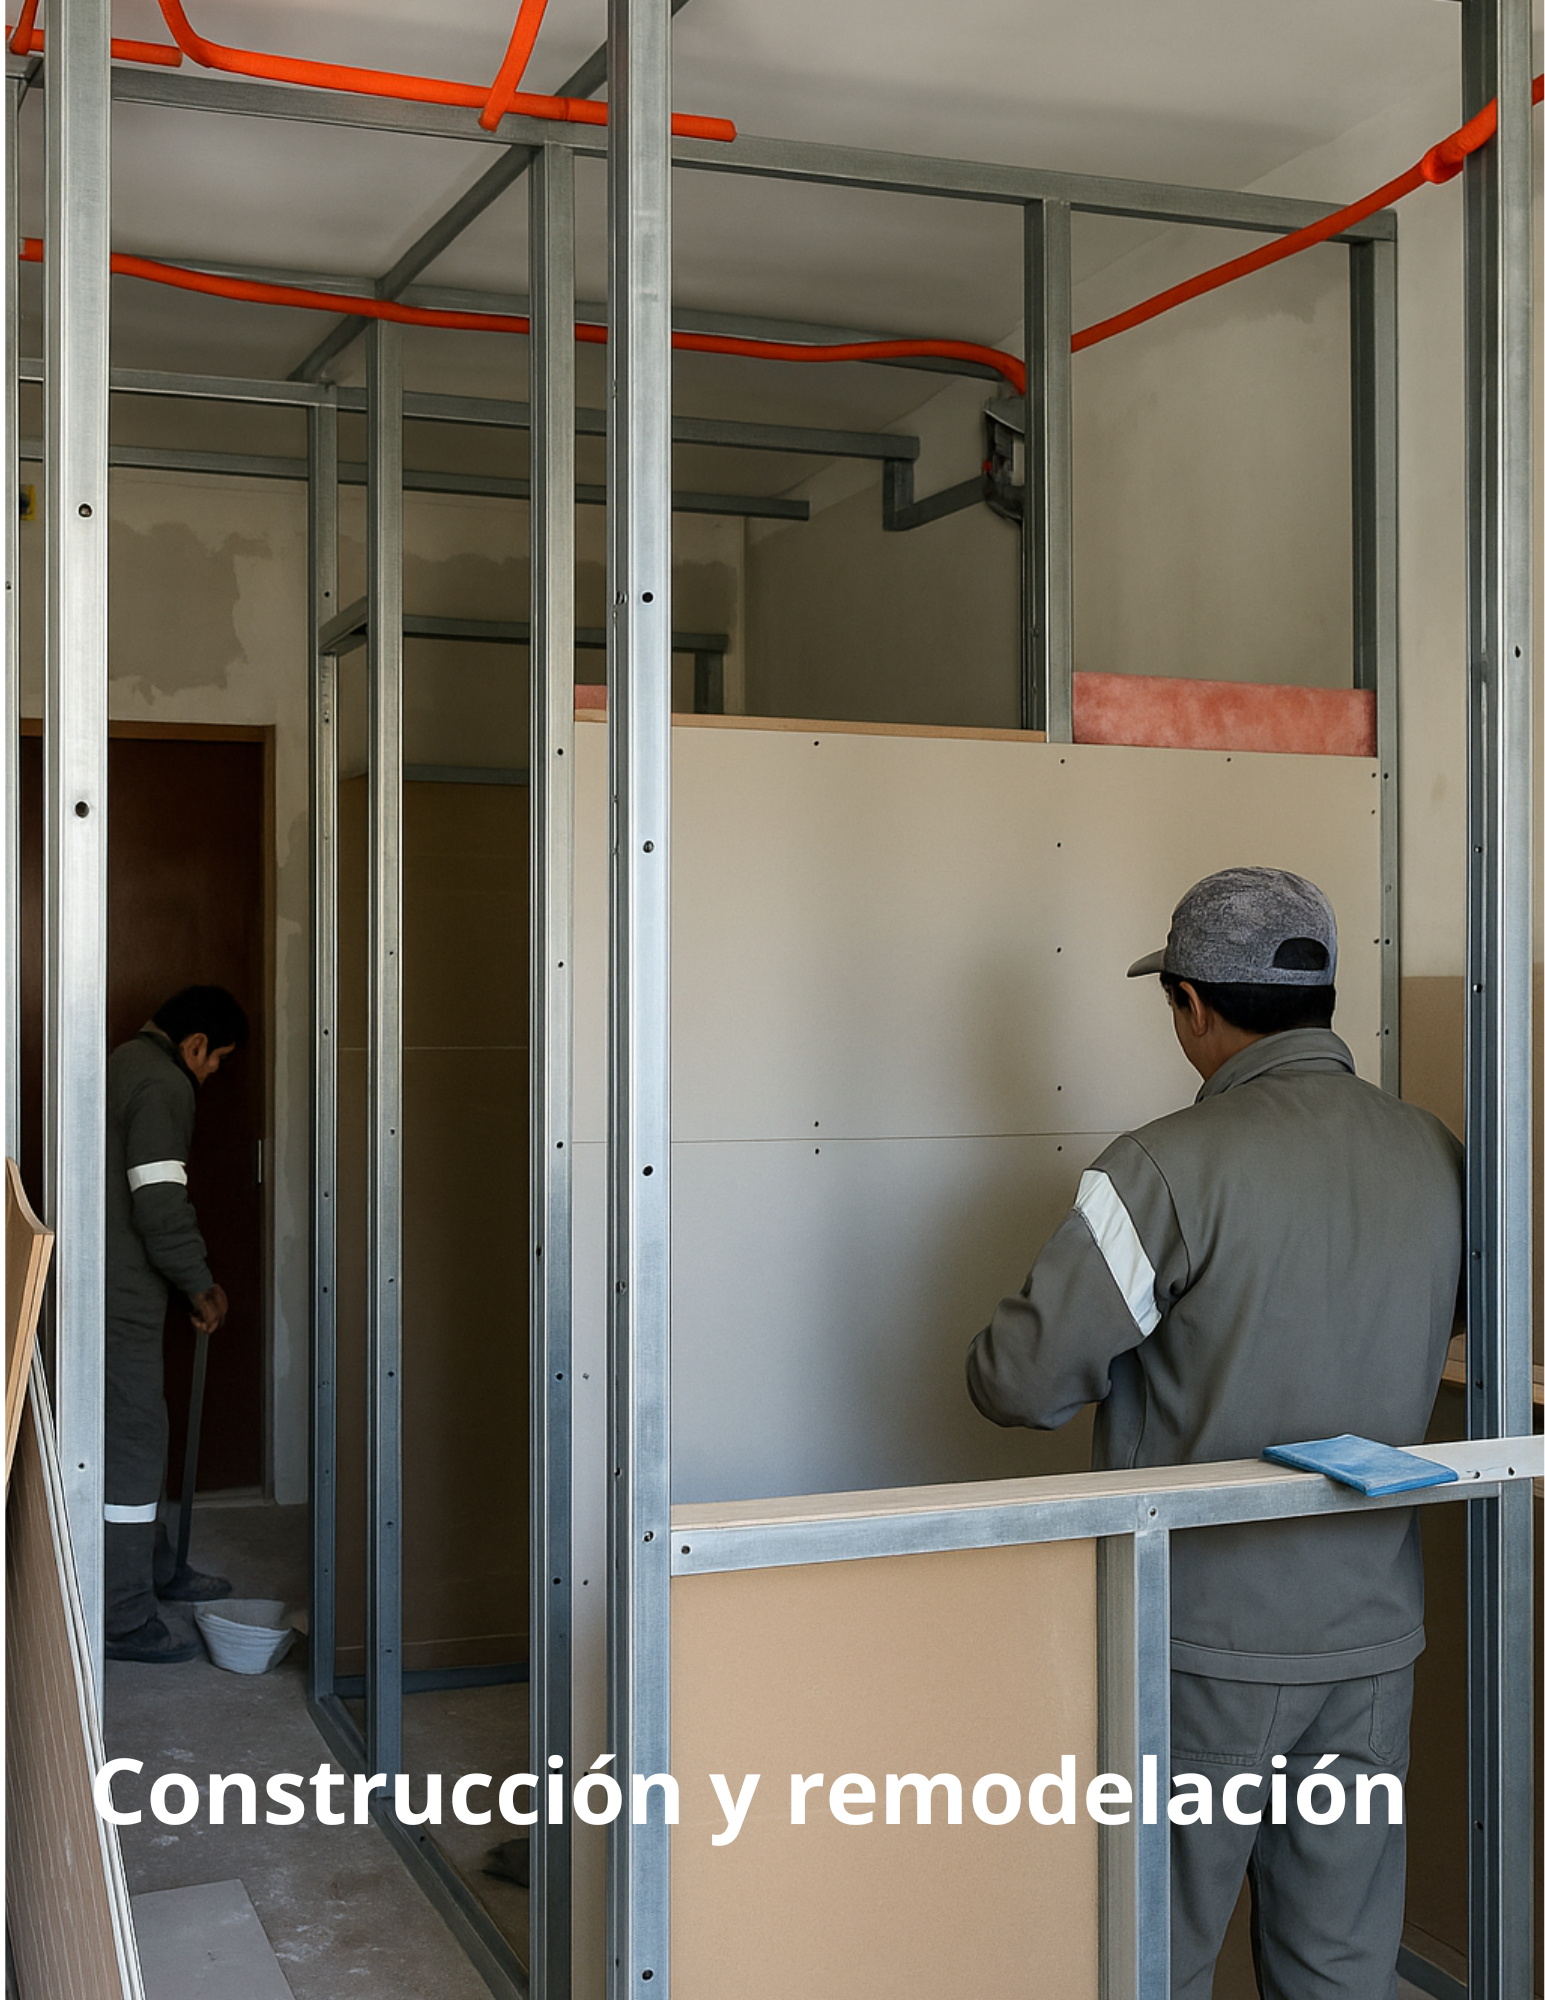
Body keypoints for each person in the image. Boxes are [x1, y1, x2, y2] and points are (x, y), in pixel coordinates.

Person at [966, 867, 1463, 2000]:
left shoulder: (1160, 1167)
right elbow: (1442, 1318)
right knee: (1340, 1964)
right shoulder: (1435, 1154)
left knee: (1154, 1952)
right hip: (1371, 1636)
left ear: (1191, 1004)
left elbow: (1019, 1382)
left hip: (1196, 1645)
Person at [104, 984, 249, 1664]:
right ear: (194, 1045)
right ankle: (124, 1615)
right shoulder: (164, 1085)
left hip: (107, 1284)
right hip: (119, 1295)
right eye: (217, 1058)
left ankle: (157, 1568)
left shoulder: (123, 1061)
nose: (213, 1071)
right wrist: (200, 1284)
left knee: (138, 1434)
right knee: (133, 1443)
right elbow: (160, 1204)